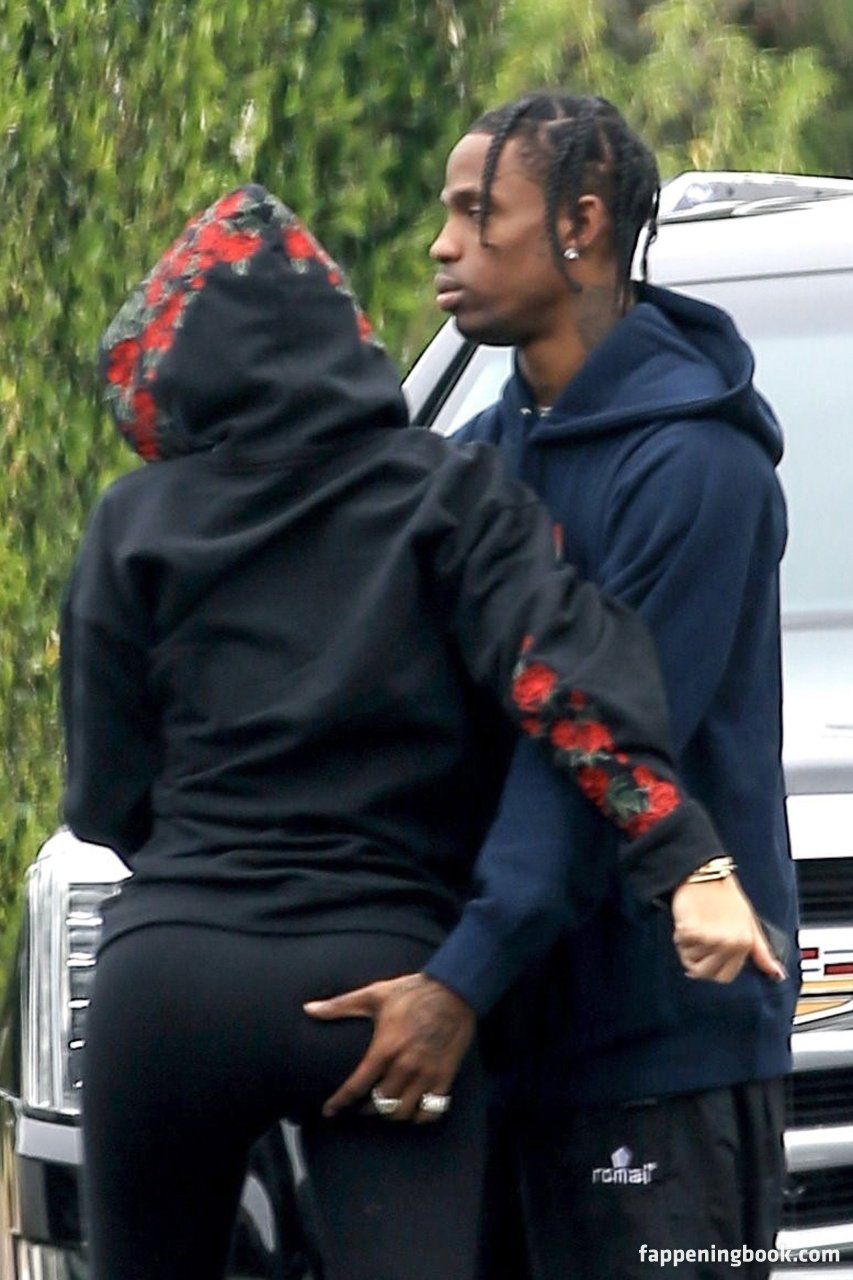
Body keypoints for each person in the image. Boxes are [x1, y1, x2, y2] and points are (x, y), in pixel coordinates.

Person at [60, 183, 760, 1280]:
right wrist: (681, 852)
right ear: (344, 340)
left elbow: (105, 792)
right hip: (381, 981)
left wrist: (208, 879)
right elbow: (566, 688)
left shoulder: (131, 519)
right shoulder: (452, 494)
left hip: (169, 985)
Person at [311, 94, 797, 1280]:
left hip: (658, 1063)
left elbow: (593, 750)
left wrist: (459, 979)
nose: (443, 244)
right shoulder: (478, 459)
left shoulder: (697, 468)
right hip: (502, 1049)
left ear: (579, 224)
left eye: (478, 213)